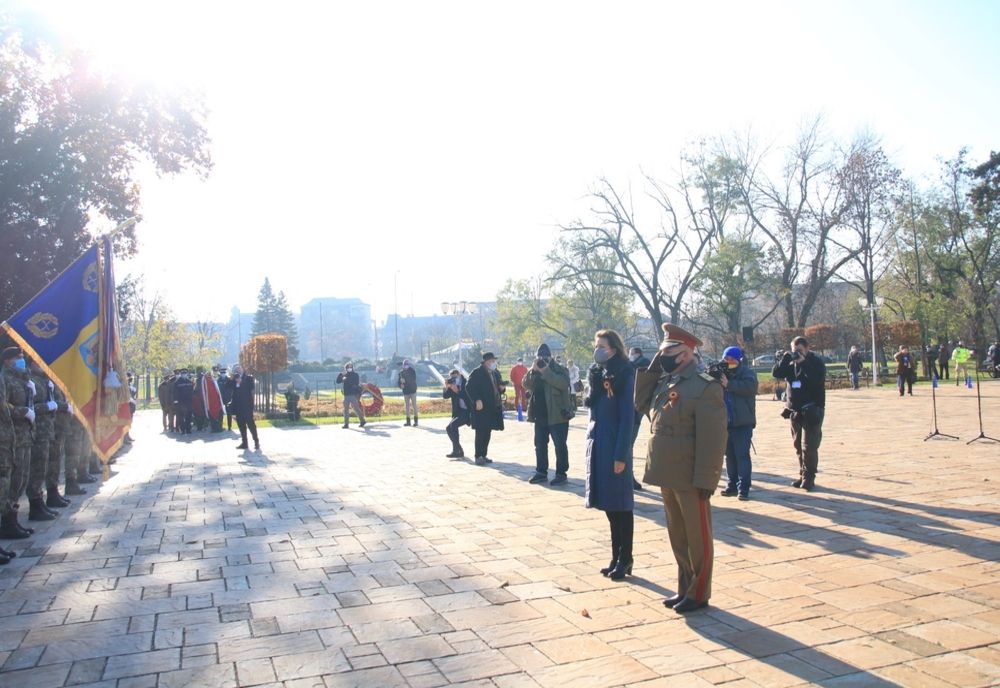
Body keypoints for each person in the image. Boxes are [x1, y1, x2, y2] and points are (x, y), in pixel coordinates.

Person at [634, 325, 726, 613]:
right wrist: (651, 370)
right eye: (661, 352)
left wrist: (707, 478)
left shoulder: (704, 386)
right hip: (666, 471)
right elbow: (640, 405)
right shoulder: (665, 381)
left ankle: (699, 592)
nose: (662, 356)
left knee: (697, 537)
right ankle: (685, 587)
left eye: (668, 352)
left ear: (686, 353)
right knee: (678, 535)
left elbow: (713, 439)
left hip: (690, 474)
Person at [585, 330, 636, 581]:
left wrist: (621, 455)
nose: (597, 349)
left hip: (615, 445)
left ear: (613, 349)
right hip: (599, 444)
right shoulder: (596, 374)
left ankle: (626, 557)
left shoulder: (625, 374)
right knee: (609, 506)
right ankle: (616, 556)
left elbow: (628, 418)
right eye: (596, 345)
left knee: (621, 506)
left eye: (601, 346)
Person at [772, 336, 826, 492]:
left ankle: (809, 477)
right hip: (795, 410)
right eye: (794, 350)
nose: (797, 353)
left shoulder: (815, 361)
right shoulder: (790, 362)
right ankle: (802, 473)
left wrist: (803, 362)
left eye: (800, 350)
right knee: (797, 445)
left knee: (809, 446)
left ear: (807, 348)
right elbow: (777, 373)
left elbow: (817, 379)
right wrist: (785, 358)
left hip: (812, 409)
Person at [524, 343, 573, 486]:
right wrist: (533, 371)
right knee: (539, 445)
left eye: (545, 356)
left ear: (550, 357)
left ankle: (561, 474)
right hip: (540, 415)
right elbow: (526, 384)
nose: (542, 359)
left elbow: (563, 384)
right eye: (539, 356)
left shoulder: (559, 369)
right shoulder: (535, 369)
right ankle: (541, 472)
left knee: (560, 445)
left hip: (558, 414)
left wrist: (546, 371)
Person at [1, 347, 37, 541]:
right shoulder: (5, 379)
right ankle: (7, 522)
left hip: (24, 435)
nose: (21, 360)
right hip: (12, 436)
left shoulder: (22, 379)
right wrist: (22, 411)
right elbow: (4, 405)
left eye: (22, 357)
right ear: (7, 360)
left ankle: (13, 520)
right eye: (18, 358)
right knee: (12, 481)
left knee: (21, 479)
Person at [718, 347, 758, 501]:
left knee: (742, 456)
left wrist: (729, 384)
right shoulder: (722, 372)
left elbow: (750, 388)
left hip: (742, 423)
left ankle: (744, 488)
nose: (728, 362)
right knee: (729, 457)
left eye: (730, 359)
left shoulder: (747, 373)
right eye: (725, 358)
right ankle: (731, 485)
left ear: (738, 359)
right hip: (725, 423)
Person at [27, 359, 63, 520]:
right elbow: (30, 407)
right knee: (37, 468)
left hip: (48, 429)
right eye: (37, 362)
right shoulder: (30, 381)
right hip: (38, 432)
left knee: (47, 464)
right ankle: (35, 503)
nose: (41, 365)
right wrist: (47, 406)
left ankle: (46, 497)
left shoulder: (45, 380)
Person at [466, 352, 505, 465]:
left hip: (492, 406)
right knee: (481, 432)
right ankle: (478, 456)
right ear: (486, 362)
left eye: (494, 361)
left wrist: (502, 388)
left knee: (488, 431)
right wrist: (477, 399)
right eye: (492, 361)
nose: (494, 363)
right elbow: (469, 387)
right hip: (482, 407)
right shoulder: (477, 372)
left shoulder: (494, 372)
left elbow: (498, 386)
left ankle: (484, 454)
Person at [628, 347, 650, 491]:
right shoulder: (649, 366)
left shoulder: (632, 368)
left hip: (632, 412)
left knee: (627, 447)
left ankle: (628, 478)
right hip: (638, 411)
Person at [230, 365, 260, 450]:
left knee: (251, 425)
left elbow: (251, 387)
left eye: (239, 369)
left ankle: (256, 441)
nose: (238, 371)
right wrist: (233, 380)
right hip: (238, 407)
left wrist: (241, 382)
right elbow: (227, 387)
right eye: (236, 370)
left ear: (243, 369)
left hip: (247, 406)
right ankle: (244, 443)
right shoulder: (234, 380)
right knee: (241, 425)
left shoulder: (248, 378)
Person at [442, 369, 470, 458]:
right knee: (449, 428)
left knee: (452, 426)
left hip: (468, 411)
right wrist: (446, 386)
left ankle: (457, 450)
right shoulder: (453, 384)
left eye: (455, 376)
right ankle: (458, 450)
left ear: (459, 374)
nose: (454, 378)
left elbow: (466, 396)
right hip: (458, 411)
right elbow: (445, 396)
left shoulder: (466, 383)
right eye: (452, 377)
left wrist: (457, 391)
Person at [337, 362, 366, 429]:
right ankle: (346, 424)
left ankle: (362, 421)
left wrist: (346, 379)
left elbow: (355, 383)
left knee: (356, 409)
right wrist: (341, 374)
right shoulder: (344, 375)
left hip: (353, 394)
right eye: (348, 367)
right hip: (346, 395)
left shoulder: (355, 375)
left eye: (351, 367)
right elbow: (338, 381)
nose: (349, 368)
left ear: (352, 368)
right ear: (346, 368)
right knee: (346, 410)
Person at [173, 370, 194, 435]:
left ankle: (188, 429)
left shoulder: (189, 382)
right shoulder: (177, 382)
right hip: (180, 401)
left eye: (185, 373)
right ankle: (182, 429)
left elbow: (192, 391)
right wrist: (175, 400)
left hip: (188, 401)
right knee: (180, 417)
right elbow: (174, 392)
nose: (184, 375)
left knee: (189, 416)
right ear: (181, 374)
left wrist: (192, 399)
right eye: (183, 374)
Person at [398, 359, 418, 426]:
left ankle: (416, 421)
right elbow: (398, 383)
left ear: (409, 365)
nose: (406, 366)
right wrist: (401, 385)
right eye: (404, 365)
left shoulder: (412, 371)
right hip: (406, 392)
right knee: (407, 407)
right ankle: (408, 421)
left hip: (412, 391)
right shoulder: (401, 373)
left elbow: (413, 380)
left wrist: (405, 380)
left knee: (414, 405)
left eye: (407, 364)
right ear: (403, 365)